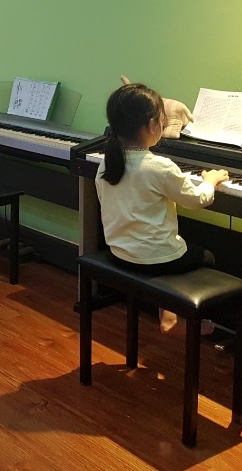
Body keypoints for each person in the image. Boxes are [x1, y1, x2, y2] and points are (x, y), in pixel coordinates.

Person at [95, 82, 229, 334]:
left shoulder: (107, 163)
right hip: (153, 260)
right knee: (206, 257)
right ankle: (177, 315)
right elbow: (197, 200)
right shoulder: (159, 166)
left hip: (120, 252)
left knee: (169, 246)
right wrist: (210, 181)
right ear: (152, 125)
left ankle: (167, 307)